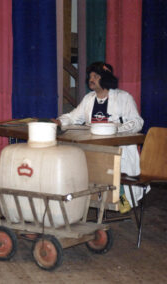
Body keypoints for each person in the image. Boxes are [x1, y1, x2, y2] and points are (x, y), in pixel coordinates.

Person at [52, 61, 147, 214]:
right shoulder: (89, 99)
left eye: (95, 76)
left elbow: (137, 122)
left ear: (106, 78)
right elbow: (73, 117)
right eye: (90, 76)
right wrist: (60, 121)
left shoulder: (123, 97)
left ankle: (121, 200)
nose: (91, 79)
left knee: (114, 171)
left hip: (117, 148)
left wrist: (114, 129)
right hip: (93, 147)